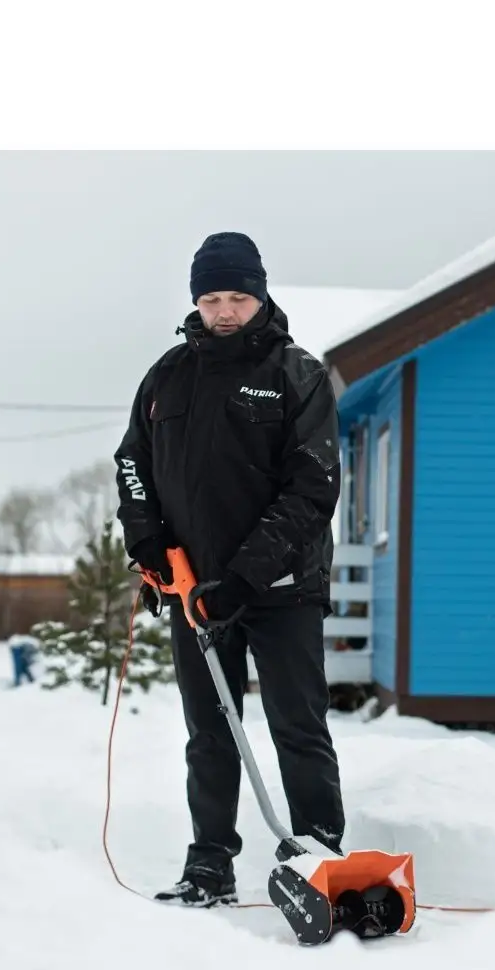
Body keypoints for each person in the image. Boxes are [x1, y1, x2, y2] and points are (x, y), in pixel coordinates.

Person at [114, 231, 345, 907]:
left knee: (297, 725)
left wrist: (244, 577)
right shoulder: (167, 376)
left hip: (280, 588)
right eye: (211, 296)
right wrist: (147, 539)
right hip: (193, 592)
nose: (223, 310)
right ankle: (209, 862)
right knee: (209, 732)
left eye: (237, 296)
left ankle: (321, 855)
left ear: (260, 295)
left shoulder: (296, 375)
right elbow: (132, 462)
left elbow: (312, 488)